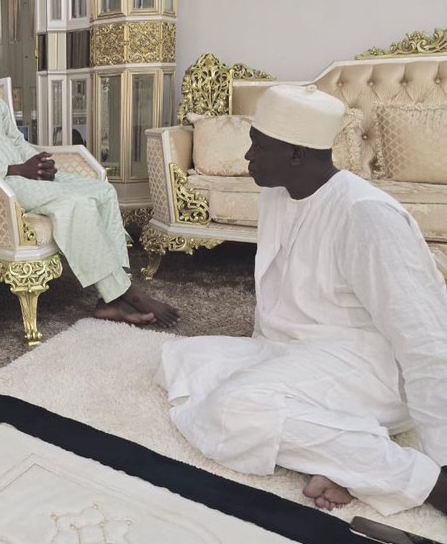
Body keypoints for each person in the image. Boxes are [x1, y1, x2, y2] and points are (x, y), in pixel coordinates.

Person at [157, 85, 447, 517]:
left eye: (258, 146)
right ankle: (339, 458)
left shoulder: (367, 214)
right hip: (296, 349)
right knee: (179, 359)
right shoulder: (277, 193)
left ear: (296, 154)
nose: (248, 156)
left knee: (232, 409)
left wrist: (442, 458)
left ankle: (422, 481)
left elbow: (427, 340)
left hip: (369, 369)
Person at [0, 26, 180, 328]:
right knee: (74, 204)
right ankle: (127, 295)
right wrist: (16, 169)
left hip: (25, 173)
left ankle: (110, 297)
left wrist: (37, 161)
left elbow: (16, 140)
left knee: (103, 191)